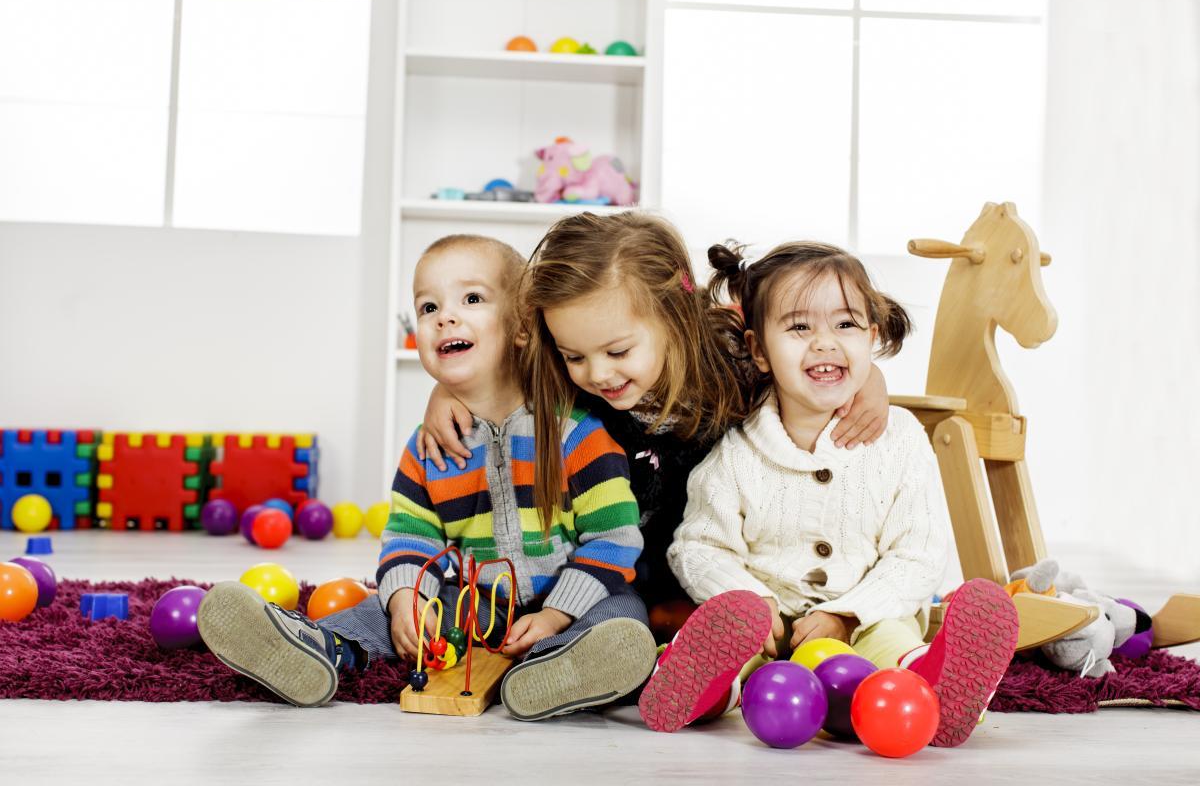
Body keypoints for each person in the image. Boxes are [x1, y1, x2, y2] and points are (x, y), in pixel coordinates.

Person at [197, 234, 657, 719]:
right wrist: (405, 602)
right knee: (379, 608)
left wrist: (556, 613)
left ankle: (555, 669)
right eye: (428, 306)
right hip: (475, 607)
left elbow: (614, 537)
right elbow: (409, 537)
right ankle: (314, 648)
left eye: (472, 299)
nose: (445, 317)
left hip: (573, 601)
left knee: (624, 617)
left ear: (523, 324)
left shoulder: (578, 433)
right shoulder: (427, 448)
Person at [418, 212, 892, 633]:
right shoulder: (563, 378)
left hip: (719, 555)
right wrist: (446, 391)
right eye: (575, 355)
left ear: (674, 319)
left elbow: (805, 359)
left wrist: (869, 378)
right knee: (641, 619)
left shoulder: (731, 360)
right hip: (615, 567)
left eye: (619, 352)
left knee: (687, 614)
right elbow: (495, 371)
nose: (599, 373)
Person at [638, 241, 1019, 748]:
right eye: (799, 328)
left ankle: (936, 687)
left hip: (866, 620)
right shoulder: (737, 451)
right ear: (758, 351)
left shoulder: (900, 441)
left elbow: (918, 552)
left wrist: (847, 613)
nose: (824, 343)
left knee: (890, 647)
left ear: (873, 337)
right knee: (736, 655)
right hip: (765, 629)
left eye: (845, 325)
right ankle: (693, 684)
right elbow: (699, 547)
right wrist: (755, 602)